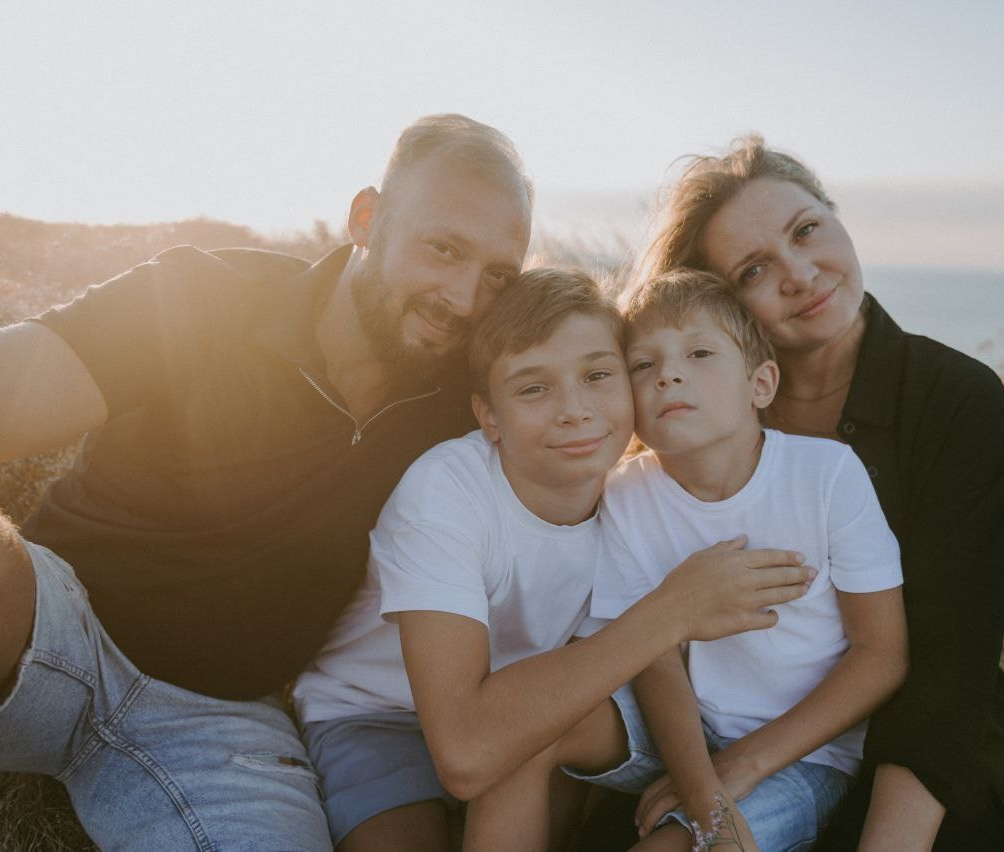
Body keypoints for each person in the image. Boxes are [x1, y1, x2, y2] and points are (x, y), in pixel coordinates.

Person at [0, 113, 537, 850]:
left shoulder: (470, 396)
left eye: (498, 276)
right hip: (50, 622)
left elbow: (605, 409)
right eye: (444, 249)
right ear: (367, 220)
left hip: (223, 727)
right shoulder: (204, 296)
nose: (464, 299)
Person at [294, 268, 818, 851]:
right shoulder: (447, 492)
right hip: (378, 715)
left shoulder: (633, 498)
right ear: (488, 415)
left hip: (535, 709)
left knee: (534, 754)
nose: (574, 410)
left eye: (597, 375)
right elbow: (465, 754)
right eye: (532, 389)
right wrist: (672, 611)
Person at [636, 135, 1004, 851]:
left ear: (836, 216)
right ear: (720, 303)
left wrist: (745, 771)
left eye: (806, 230)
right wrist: (711, 775)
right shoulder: (706, 417)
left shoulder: (955, 397)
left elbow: (951, 661)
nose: (800, 275)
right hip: (727, 722)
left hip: (921, 731)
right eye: (753, 270)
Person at [472, 269, 909, 851]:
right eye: (643, 364)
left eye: (699, 353)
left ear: (760, 383)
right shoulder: (626, 492)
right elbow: (654, 658)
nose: (668, 374)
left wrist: (738, 772)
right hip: (680, 731)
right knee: (525, 733)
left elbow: (881, 654)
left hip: (803, 755)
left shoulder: (826, 476)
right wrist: (701, 786)